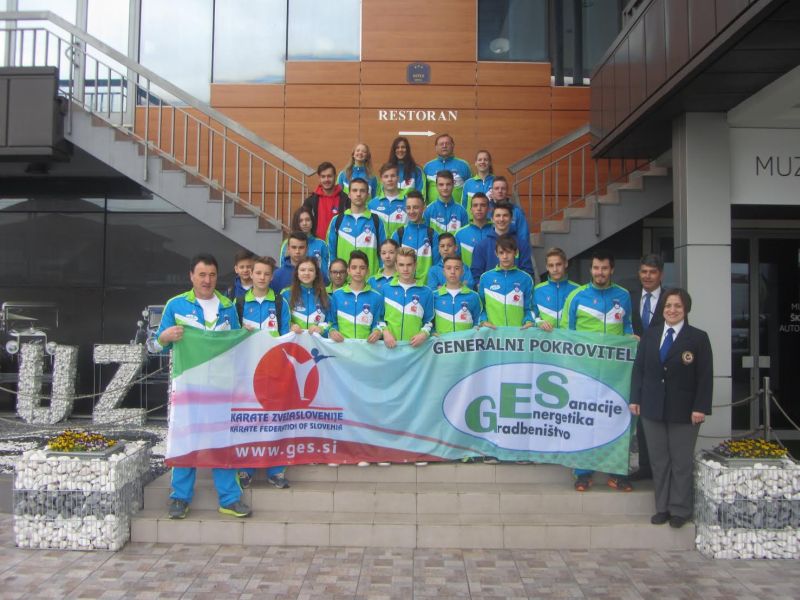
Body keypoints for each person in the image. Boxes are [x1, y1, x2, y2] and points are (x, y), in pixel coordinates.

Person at [155, 254, 251, 519]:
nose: (207, 280)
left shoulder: (228, 306)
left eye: (212, 275)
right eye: (202, 275)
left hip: (221, 388)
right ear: (191, 276)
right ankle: (179, 497)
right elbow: (153, 345)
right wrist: (164, 337)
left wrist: (246, 336)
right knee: (185, 441)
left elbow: (235, 346)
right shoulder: (176, 305)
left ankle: (230, 499)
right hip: (188, 388)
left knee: (222, 442)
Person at [630, 288, 712, 529]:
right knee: (659, 461)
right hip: (652, 407)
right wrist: (635, 398)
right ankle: (662, 508)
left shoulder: (697, 338)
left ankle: (680, 509)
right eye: (668, 305)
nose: (672, 310)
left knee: (681, 462)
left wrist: (700, 407)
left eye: (677, 306)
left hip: (685, 411)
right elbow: (639, 369)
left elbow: (705, 376)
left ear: (686, 309)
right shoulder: (651, 335)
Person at [561, 250, 635, 493]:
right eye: (595, 268)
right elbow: (567, 335)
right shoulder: (576, 296)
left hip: (616, 375)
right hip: (585, 373)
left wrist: (631, 339)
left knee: (615, 421)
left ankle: (617, 473)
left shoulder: (623, 295)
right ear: (590, 269)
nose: (599, 273)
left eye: (604, 268)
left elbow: (627, 327)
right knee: (583, 421)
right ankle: (583, 473)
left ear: (611, 269)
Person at [236, 256, 291, 490]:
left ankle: (276, 471)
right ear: (251, 274)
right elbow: (231, 336)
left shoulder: (279, 303)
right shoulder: (238, 302)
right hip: (247, 372)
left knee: (274, 421)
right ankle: (246, 470)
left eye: (266, 274)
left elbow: (286, 337)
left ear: (271, 276)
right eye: (258, 273)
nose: (261, 277)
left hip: (273, 370)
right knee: (248, 421)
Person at [629, 253, 667, 481]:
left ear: (660, 274)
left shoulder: (670, 299)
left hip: (661, 369)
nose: (648, 276)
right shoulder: (630, 297)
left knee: (658, 419)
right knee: (641, 418)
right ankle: (644, 466)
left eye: (652, 272)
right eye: (644, 271)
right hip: (634, 367)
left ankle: (660, 468)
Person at [327, 177, 386, 278]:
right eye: (354, 190)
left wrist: (379, 277)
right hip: (344, 281)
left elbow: (384, 253)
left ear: (368, 195)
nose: (358, 194)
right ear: (349, 194)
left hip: (370, 281)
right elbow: (331, 252)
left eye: (362, 191)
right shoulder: (337, 220)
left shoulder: (377, 221)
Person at [477, 235, 536, 329]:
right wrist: (483, 321)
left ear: (516, 253)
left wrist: (529, 321)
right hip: (493, 333)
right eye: (501, 252)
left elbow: (530, 307)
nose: (505, 256)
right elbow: (480, 307)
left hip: (518, 333)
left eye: (508, 252)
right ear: (496, 253)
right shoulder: (485, 278)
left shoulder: (526, 279)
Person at [381, 247, 434, 348]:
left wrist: (424, 333)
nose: (405, 269)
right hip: (390, 348)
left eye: (409, 265)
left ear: (415, 265)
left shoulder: (427, 292)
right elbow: (379, 317)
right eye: (401, 265)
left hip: (415, 349)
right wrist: (385, 332)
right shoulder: (386, 289)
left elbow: (430, 320)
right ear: (396, 266)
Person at [471, 201, 534, 282]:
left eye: (505, 215)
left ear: (511, 219)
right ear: (492, 219)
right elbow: (476, 275)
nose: (501, 219)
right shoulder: (481, 246)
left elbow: (528, 274)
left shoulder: (522, 244)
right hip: (490, 289)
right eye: (498, 215)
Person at [329, 251, 384, 343]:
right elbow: (331, 322)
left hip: (366, 348)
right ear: (348, 270)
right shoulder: (337, 295)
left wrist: (378, 331)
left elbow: (380, 322)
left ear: (368, 271)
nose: (358, 271)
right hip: (342, 347)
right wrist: (332, 331)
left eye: (362, 268)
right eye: (354, 267)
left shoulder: (377, 297)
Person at [393, 191, 439, 285]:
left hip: (427, 288)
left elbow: (437, 265)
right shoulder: (399, 233)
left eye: (415, 207)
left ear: (424, 208)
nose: (411, 211)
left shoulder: (433, 235)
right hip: (404, 287)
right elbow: (393, 264)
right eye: (408, 207)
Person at [281, 257, 331, 335]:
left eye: (311, 270)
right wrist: (290, 326)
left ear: (316, 274)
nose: (306, 273)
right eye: (302, 270)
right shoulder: (285, 294)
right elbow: (279, 320)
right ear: (297, 273)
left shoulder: (326, 297)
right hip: (294, 341)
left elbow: (331, 322)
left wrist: (321, 329)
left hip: (317, 342)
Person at [302, 161, 350, 240]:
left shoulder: (346, 200)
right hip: (317, 244)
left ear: (335, 177)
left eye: (329, 176)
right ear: (319, 178)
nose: (326, 179)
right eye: (323, 177)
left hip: (338, 243)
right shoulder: (310, 201)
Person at [534, 247, 579, 331]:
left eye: (558, 264)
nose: (555, 269)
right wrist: (540, 323)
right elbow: (531, 315)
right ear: (546, 267)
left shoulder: (578, 290)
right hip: (546, 338)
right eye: (551, 265)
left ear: (566, 264)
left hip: (569, 338)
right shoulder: (537, 290)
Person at [434, 256, 482, 334]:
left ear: (462, 271)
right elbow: (428, 321)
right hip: (442, 341)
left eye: (457, 268)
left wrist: (474, 331)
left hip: (466, 341)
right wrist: (432, 332)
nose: (452, 272)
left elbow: (478, 321)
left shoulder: (473, 296)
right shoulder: (434, 296)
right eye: (449, 268)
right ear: (443, 271)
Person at [279, 206, 330, 279]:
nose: (304, 223)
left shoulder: (321, 244)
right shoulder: (287, 243)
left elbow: (325, 271)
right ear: (296, 223)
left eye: (307, 220)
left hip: (316, 283)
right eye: (301, 221)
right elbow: (283, 267)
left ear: (312, 222)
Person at [423, 133, 472, 205]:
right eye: (441, 144)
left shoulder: (464, 165)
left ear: (453, 145)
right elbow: (423, 192)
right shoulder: (428, 166)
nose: (444, 146)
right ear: (436, 147)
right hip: (433, 210)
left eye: (447, 143)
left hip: (457, 210)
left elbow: (471, 189)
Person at [455, 192, 493, 270]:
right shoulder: (460, 234)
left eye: (483, 205)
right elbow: (454, 261)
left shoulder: (496, 231)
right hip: (469, 277)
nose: (479, 209)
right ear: (471, 210)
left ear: (489, 209)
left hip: (492, 277)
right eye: (475, 205)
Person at [423, 170, 469, 235]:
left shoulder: (462, 211)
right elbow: (425, 236)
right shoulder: (428, 210)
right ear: (436, 186)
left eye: (448, 184)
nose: (445, 188)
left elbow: (464, 236)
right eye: (441, 185)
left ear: (453, 185)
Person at [369, 163, 408, 239]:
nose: (390, 179)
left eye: (393, 176)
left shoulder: (408, 202)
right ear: (381, 180)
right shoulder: (372, 204)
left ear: (398, 178)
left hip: (401, 245)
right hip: (380, 246)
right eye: (386, 176)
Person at [489, 176, 530, 247]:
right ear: (492, 191)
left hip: (511, 250)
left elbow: (523, 237)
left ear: (507, 191)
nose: (500, 191)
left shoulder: (517, 212)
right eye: (496, 188)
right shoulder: (486, 211)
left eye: (503, 188)